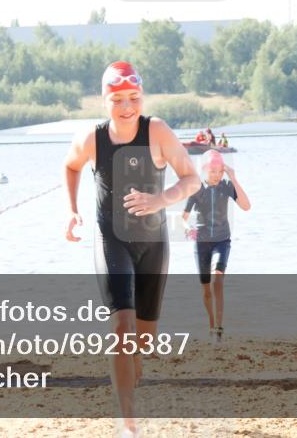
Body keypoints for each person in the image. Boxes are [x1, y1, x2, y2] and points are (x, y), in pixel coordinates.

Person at [64, 61, 200, 436]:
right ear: (103, 100)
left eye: (133, 98)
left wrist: (162, 199)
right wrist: (73, 211)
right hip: (111, 241)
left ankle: (133, 366)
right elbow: (71, 166)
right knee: (121, 326)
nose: (126, 107)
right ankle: (127, 422)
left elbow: (192, 178)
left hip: (153, 243)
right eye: (118, 99)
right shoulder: (92, 138)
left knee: (144, 339)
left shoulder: (156, 130)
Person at [182, 150, 251, 342]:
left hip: (222, 241)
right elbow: (183, 218)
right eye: (213, 170)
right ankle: (211, 324)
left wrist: (233, 178)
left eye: (220, 171)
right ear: (204, 169)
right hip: (201, 244)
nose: (217, 174)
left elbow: (246, 206)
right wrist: (187, 228)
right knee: (206, 289)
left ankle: (219, 328)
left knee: (217, 281)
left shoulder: (227, 186)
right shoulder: (197, 189)